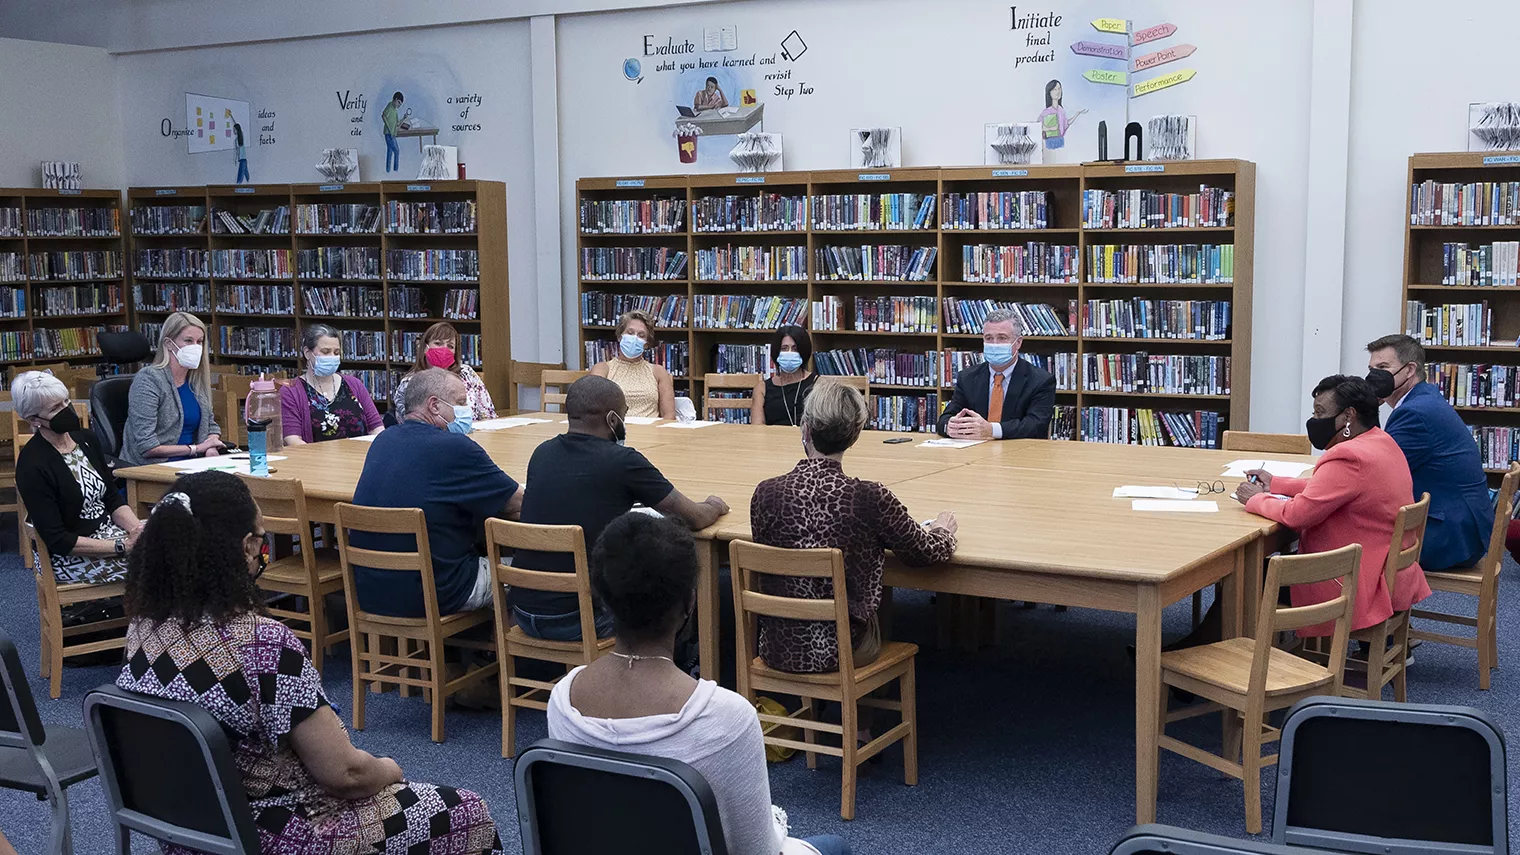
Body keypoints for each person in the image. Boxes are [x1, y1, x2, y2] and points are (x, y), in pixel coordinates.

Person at [115, 471, 504, 855]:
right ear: (246, 547)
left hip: (189, 834)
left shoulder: (142, 630)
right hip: (274, 832)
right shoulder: (261, 642)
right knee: (467, 811)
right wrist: (391, 769)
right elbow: (345, 774)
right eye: (260, 537)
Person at [548, 513, 849, 855]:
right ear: (689, 602)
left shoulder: (563, 699)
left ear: (602, 597)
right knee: (836, 846)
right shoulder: (726, 717)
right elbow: (756, 850)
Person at [752, 380, 958, 675]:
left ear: (805, 429)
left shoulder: (765, 493)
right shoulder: (868, 497)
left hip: (778, 647)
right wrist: (943, 531)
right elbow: (923, 553)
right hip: (843, 649)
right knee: (874, 606)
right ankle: (861, 721)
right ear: (854, 436)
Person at [510, 376, 729, 640]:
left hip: (522, 613)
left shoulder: (541, 453)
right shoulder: (623, 462)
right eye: (624, 415)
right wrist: (714, 505)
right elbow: (694, 519)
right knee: (666, 591)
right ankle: (681, 665)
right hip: (581, 620)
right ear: (613, 420)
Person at [1235, 375, 1432, 635]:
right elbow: (1334, 489)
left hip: (1349, 581)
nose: (1315, 421)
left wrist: (1255, 499)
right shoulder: (1381, 442)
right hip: (1383, 572)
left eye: (1320, 413)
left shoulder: (1348, 455)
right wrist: (1276, 484)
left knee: (1244, 575)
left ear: (1348, 415)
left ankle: (1225, 653)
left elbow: (1297, 516)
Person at [351, 368, 522, 618]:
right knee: (535, 572)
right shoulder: (455, 447)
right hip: (437, 592)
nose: (468, 411)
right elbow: (517, 504)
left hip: (372, 590)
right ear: (434, 405)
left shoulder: (383, 441)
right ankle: (510, 651)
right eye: (461, 403)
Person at [1366, 334, 1493, 570]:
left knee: (1350, 539)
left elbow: (1372, 471)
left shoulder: (1414, 413)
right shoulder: (1424, 398)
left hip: (1451, 536)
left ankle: (1351, 603)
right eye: (1371, 369)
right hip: (1464, 525)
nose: (1374, 376)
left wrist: (1363, 412)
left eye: (1382, 368)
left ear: (1409, 370)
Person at [13, 370, 143, 584]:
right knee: (162, 560)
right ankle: (161, 616)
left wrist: (136, 530)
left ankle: (159, 615)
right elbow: (58, 539)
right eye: (55, 408)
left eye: (66, 401)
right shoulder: (32, 465)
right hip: (68, 558)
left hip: (110, 533)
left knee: (181, 539)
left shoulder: (86, 440)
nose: (66, 409)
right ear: (34, 420)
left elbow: (112, 498)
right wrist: (122, 547)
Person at [936, 309, 1055, 440]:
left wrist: (991, 430)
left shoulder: (1041, 381)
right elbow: (945, 419)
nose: (994, 344)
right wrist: (950, 427)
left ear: (1018, 342)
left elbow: (1035, 425)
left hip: (1020, 453)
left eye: (1002, 338)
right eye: (989, 338)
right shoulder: (967, 377)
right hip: (974, 452)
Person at [122, 311, 222, 467]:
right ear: (169, 344)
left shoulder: (196, 380)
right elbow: (147, 446)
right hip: (154, 467)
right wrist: (195, 449)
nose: (195, 347)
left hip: (196, 462)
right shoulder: (149, 379)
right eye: (188, 341)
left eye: (200, 341)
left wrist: (211, 445)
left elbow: (211, 425)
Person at [280, 323, 383, 445]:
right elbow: (292, 439)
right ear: (307, 353)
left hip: (360, 459)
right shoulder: (291, 391)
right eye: (325, 351)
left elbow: (377, 427)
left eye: (336, 352)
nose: (332, 357)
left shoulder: (354, 384)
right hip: (315, 461)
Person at [392, 321, 496, 420]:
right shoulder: (410, 382)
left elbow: (488, 413)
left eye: (450, 346)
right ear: (425, 347)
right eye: (438, 343)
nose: (444, 349)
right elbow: (408, 422)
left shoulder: (466, 373)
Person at [589, 310, 676, 420]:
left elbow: (669, 415)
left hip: (650, 434)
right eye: (630, 333)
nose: (634, 338)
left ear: (646, 344)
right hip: (614, 433)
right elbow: (592, 409)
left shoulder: (658, 372)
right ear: (620, 336)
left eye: (641, 335)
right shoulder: (602, 369)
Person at [751, 324, 818, 427]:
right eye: (784, 348)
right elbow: (757, 427)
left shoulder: (819, 384)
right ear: (777, 352)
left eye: (795, 349)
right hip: (773, 441)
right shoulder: (762, 388)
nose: (790, 353)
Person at [1038, 79, 1087, 151]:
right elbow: (1038, 127)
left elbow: (1066, 124)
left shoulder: (1061, 110)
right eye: (1054, 89)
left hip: (1061, 141)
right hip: (1050, 142)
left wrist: (1077, 114)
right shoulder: (1046, 112)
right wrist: (1051, 128)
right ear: (1049, 92)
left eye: (1059, 88)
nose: (1058, 92)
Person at [382, 90, 403, 173]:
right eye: (398, 102)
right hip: (389, 134)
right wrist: (389, 128)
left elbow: (397, 124)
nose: (399, 105)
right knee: (396, 151)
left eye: (400, 104)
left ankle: (388, 170)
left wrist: (404, 118)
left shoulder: (395, 110)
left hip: (392, 134)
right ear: (395, 99)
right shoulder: (390, 106)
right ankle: (395, 169)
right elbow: (383, 116)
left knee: (390, 151)